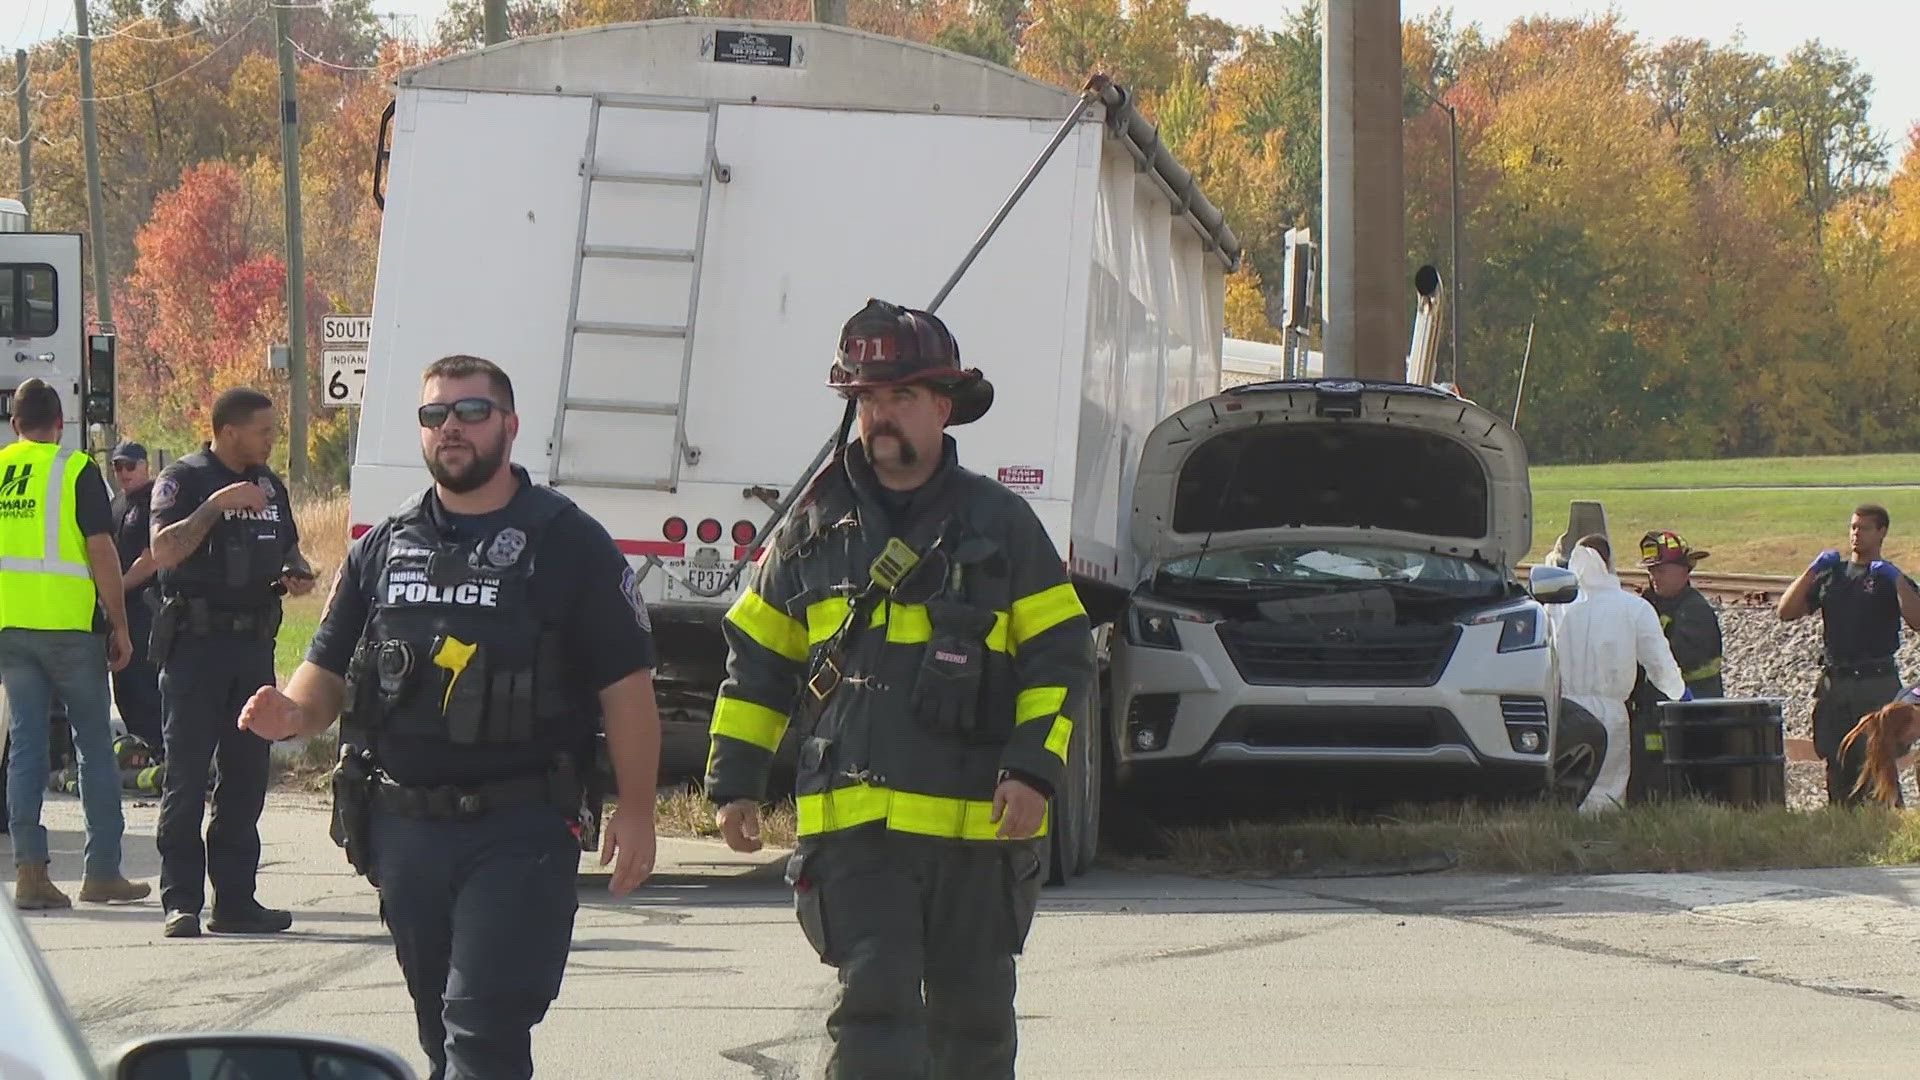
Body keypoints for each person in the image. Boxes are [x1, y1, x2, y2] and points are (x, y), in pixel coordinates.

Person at [237, 354, 662, 1080]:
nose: (451, 429)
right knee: (442, 1035)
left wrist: (639, 810)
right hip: (406, 833)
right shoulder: (384, 544)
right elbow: (330, 667)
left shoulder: (568, 541)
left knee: (483, 1027)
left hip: (522, 827)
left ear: (510, 426)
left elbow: (627, 688)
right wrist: (292, 712)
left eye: (471, 412)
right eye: (435, 416)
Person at [706, 299, 1095, 1079]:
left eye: (901, 398)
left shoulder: (1002, 525)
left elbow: (1062, 658)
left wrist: (1032, 771)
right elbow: (759, 661)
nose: (880, 415)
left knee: (973, 1023)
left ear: (943, 408)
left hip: (976, 832)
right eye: (867, 400)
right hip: (855, 832)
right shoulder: (812, 528)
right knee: (875, 1011)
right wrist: (734, 785)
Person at [147, 388, 315, 938]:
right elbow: (164, 552)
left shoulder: (270, 486)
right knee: (188, 775)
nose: (272, 438)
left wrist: (296, 572)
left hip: (252, 649)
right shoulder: (184, 479)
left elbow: (287, 547)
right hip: (195, 649)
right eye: (264, 430)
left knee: (246, 779)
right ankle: (181, 901)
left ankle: (236, 901)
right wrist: (216, 505)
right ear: (230, 430)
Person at [0, 378, 150, 908]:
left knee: (26, 745)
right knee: (92, 746)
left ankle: (31, 873)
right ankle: (102, 871)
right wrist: (120, 623)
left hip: (12, 631)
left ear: (15, 424)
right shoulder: (75, 468)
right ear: (60, 423)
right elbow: (101, 550)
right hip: (70, 629)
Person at [1777, 504, 1920, 806]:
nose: (1856, 534)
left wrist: (1896, 580)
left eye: (1865, 528)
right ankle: (1842, 820)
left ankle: (1886, 823)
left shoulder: (1888, 577)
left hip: (1875, 680)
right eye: (1853, 527)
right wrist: (1812, 570)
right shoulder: (1834, 575)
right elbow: (1786, 611)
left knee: (1877, 759)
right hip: (1836, 681)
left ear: (1881, 532)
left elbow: (1917, 621)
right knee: (1836, 756)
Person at [1548, 534, 1688, 813]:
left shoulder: (1557, 606)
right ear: (1610, 562)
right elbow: (1659, 663)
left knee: (1566, 787)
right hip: (1610, 712)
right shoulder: (1633, 607)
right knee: (1607, 790)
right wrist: (1679, 693)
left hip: (1563, 710)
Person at [109, 440, 164, 754]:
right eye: (118, 466)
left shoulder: (154, 502)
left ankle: (159, 751)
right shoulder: (117, 503)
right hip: (119, 608)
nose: (124, 472)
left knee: (146, 684)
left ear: (146, 466)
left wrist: (116, 587)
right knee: (124, 684)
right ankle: (140, 752)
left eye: (131, 466)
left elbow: (151, 557)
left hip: (146, 604)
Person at [1635, 530, 1724, 699]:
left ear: (1684, 571)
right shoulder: (1650, 603)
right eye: (1651, 571)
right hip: (1662, 703)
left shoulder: (1695, 611)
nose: (1654, 577)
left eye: (1660, 571)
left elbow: (1671, 657)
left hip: (1694, 707)